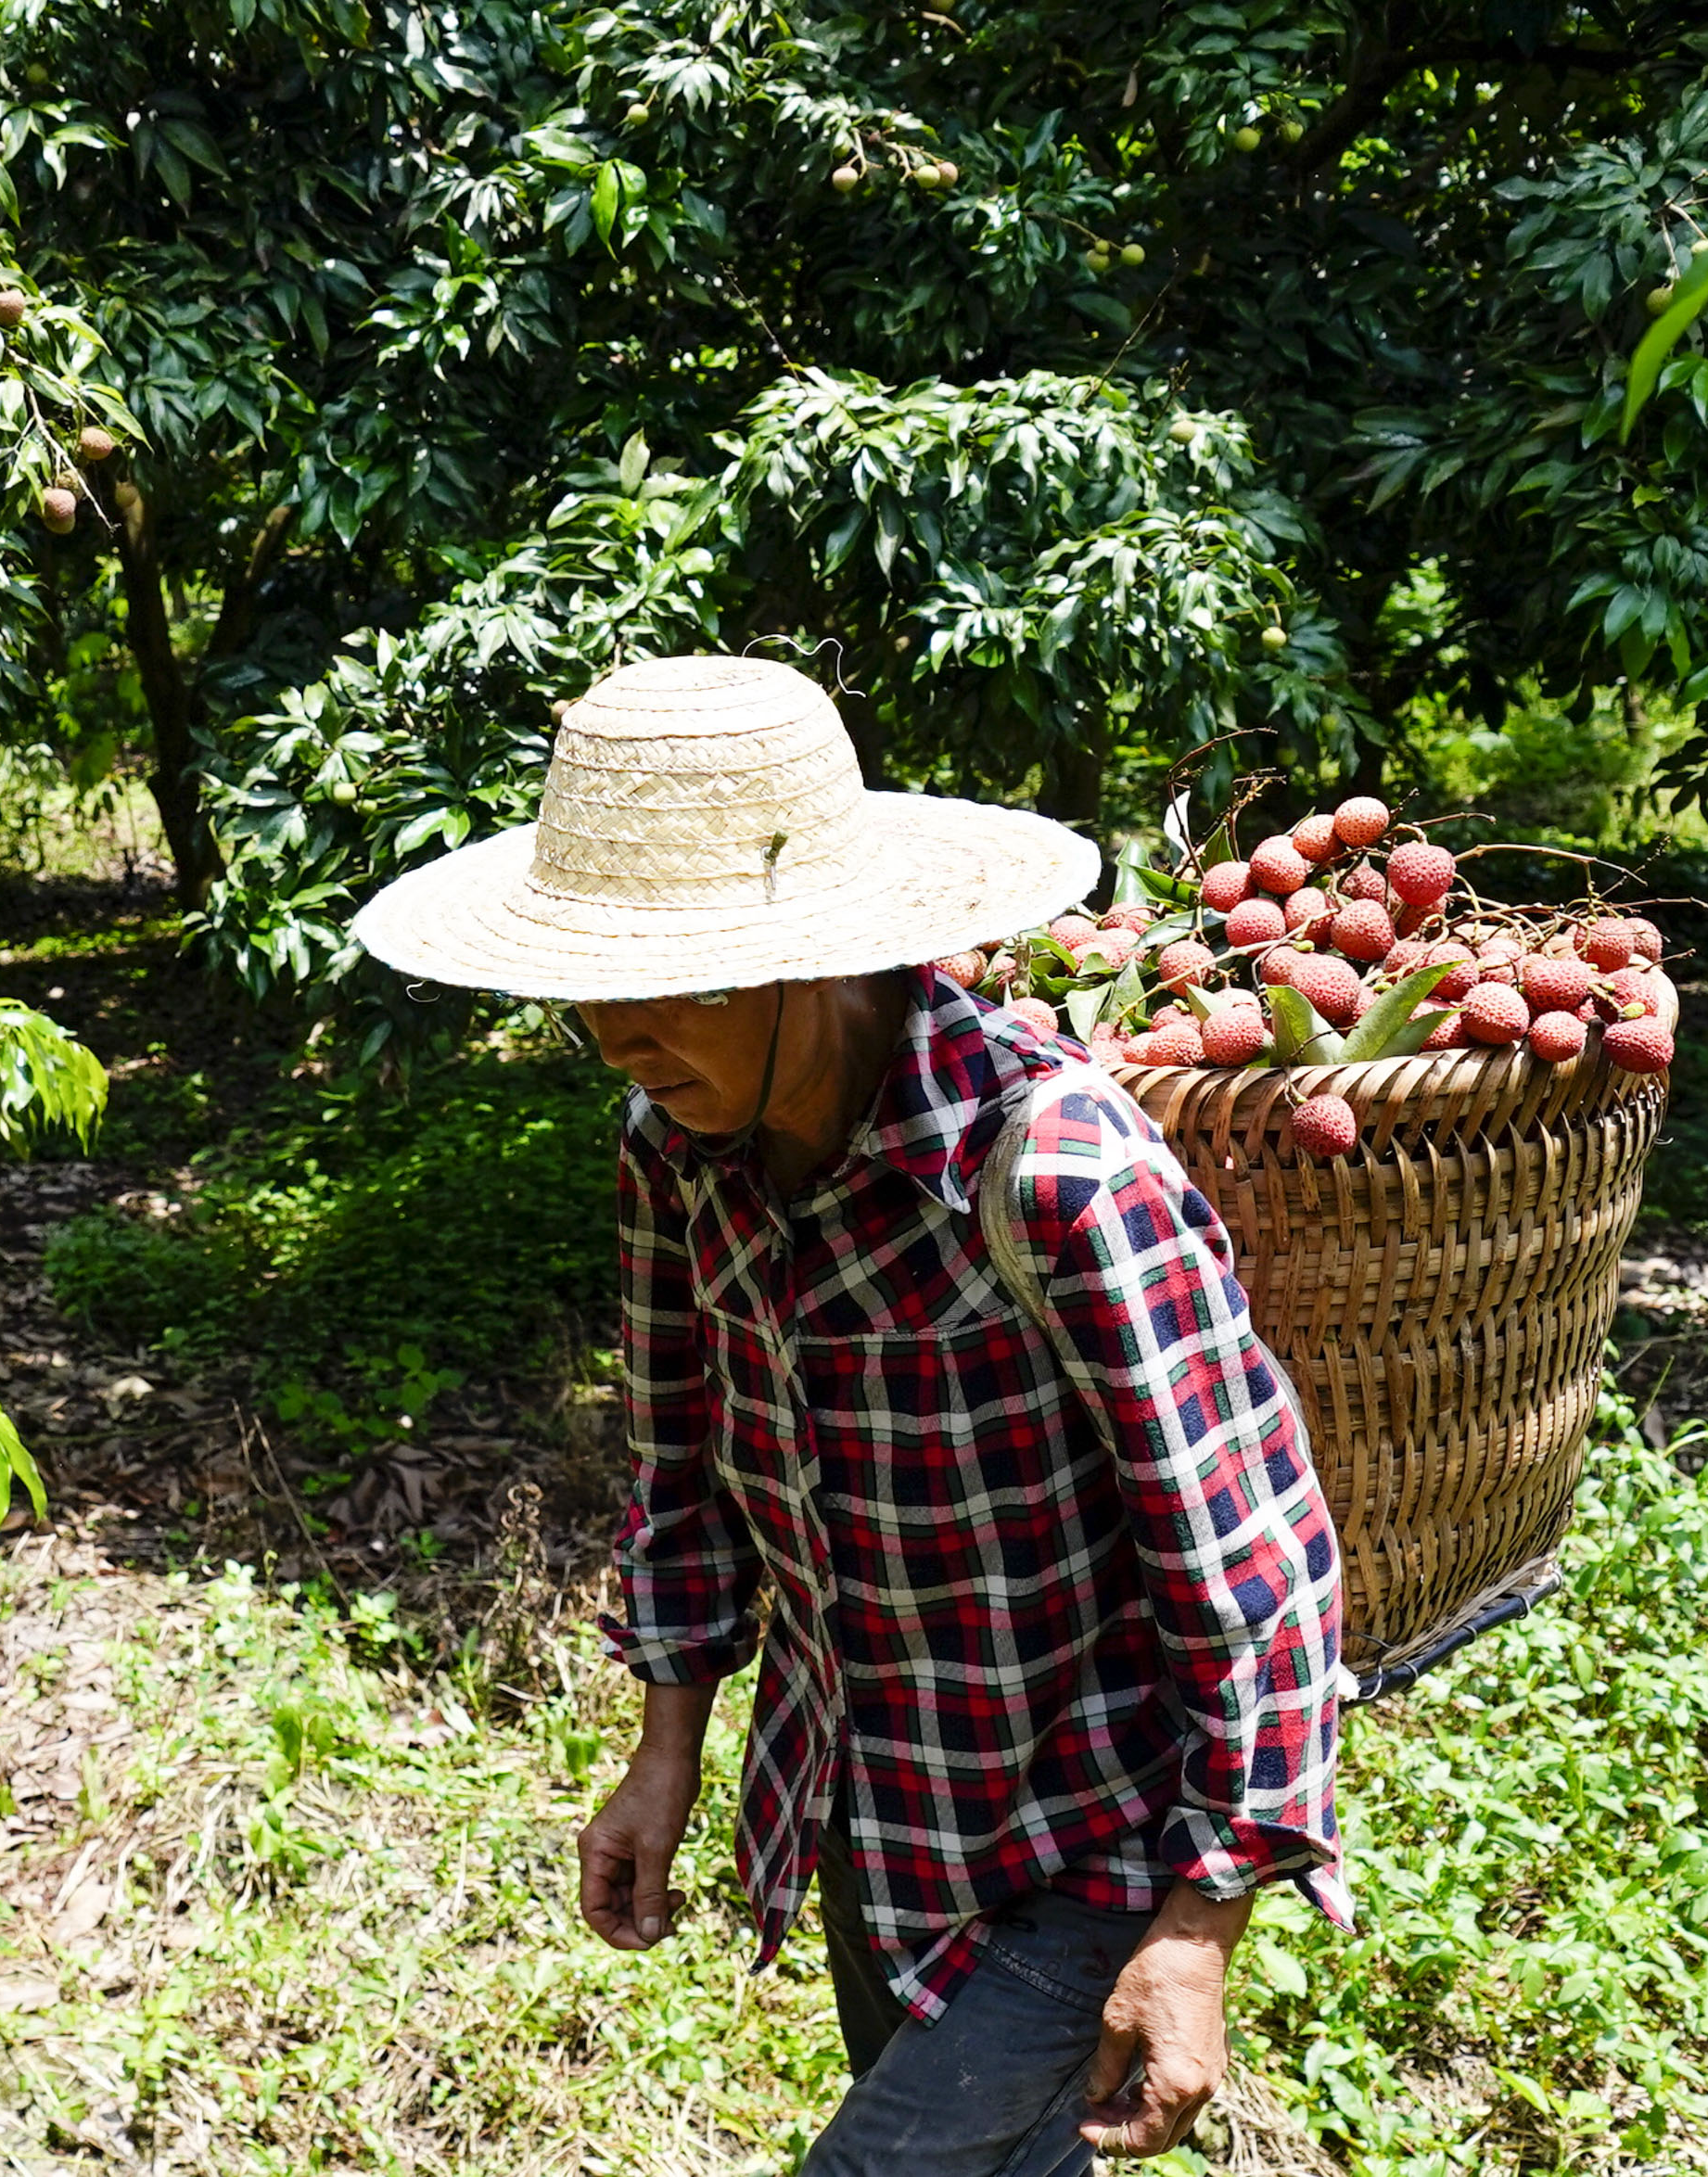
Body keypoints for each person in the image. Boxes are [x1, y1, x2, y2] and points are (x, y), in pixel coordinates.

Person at [351, 656, 1345, 2172]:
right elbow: (674, 1470)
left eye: (661, 992)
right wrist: (665, 1748)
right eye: (588, 1002)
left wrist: (1202, 1922)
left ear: (817, 958)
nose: (618, 1042)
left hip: (1086, 1846)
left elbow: (1253, 1564)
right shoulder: (677, 1147)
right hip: (875, 1825)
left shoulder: (1057, 1172)